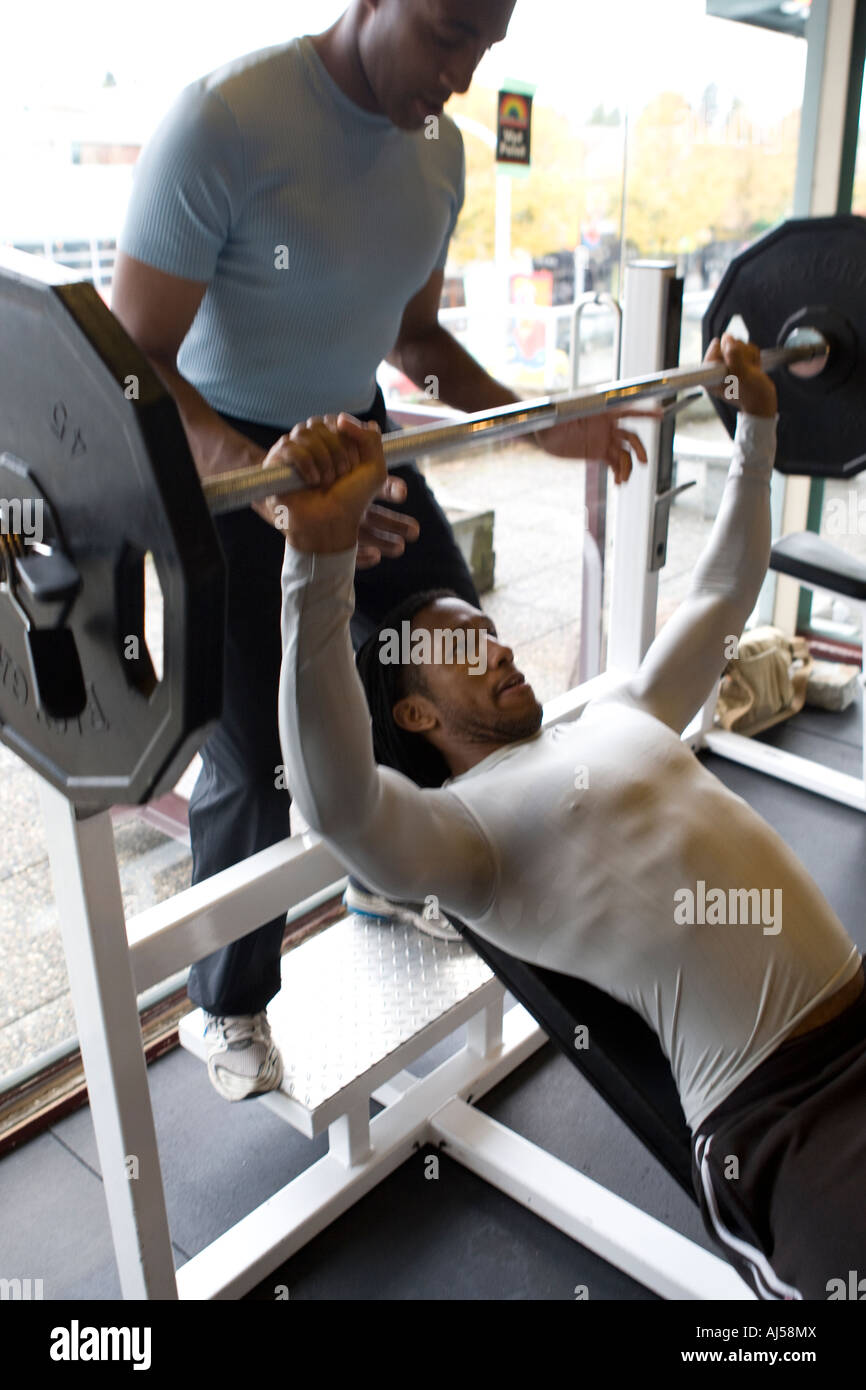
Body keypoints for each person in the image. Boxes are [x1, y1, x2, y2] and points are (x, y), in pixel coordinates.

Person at [111, 0, 649, 1100]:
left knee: (456, 673)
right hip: (232, 467)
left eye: (482, 49)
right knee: (263, 749)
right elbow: (135, 359)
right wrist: (273, 495)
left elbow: (415, 339)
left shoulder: (437, 153)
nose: (456, 77)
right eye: (445, 34)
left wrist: (539, 420)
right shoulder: (226, 118)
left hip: (359, 442)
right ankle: (227, 1000)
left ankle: (391, 876)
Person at [272, 334, 866, 1301]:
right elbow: (337, 803)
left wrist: (757, 422)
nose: (498, 648)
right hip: (781, 1117)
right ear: (415, 713)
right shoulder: (466, 838)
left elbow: (720, 594)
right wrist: (317, 560)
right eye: (463, 649)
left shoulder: (620, 715)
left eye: (492, 631)